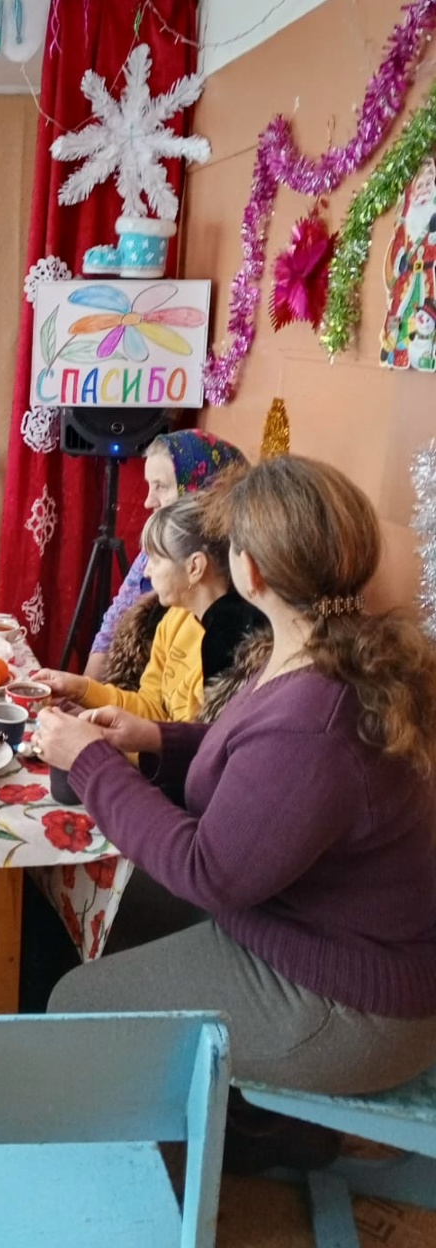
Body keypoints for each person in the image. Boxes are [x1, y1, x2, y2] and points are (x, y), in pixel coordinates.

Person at [35, 456, 436, 1168]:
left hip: (348, 1002)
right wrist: (156, 739)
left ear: (248, 570)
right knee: (103, 895)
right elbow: (260, 769)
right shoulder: (309, 652)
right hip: (303, 927)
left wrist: (91, 763)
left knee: (76, 1005)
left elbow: (209, 871)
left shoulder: (316, 713)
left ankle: (165, 1180)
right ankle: (239, 1128)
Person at [34, 490, 264, 725]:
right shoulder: (173, 620)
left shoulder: (233, 651)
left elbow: (194, 742)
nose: (146, 572)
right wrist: (80, 688)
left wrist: (103, 735)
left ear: (195, 567)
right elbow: (151, 708)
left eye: (156, 560)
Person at [83, 429, 246, 681]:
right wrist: (83, 689)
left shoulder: (235, 581)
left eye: (161, 486)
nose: (148, 501)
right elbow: (115, 620)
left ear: (202, 489)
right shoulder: (153, 551)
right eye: (150, 486)